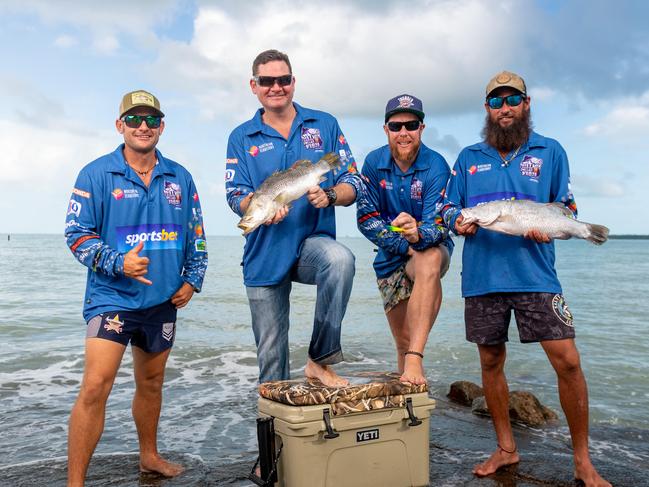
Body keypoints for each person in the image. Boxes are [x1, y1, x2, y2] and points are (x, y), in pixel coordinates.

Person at [441, 71, 610, 486]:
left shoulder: (550, 151)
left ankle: (582, 461)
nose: (504, 108)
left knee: (568, 361)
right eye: (496, 102)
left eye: (512, 100)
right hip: (482, 278)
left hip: (537, 275)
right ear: (487, 109)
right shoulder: (468, 157)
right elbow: (447, 207)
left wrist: (552, 227)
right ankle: (505, 448)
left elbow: (566, 206)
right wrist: (456, 223)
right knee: (491, 361)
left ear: (526, 103)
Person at [64, 90, 208, 485]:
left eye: (151, 119)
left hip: (162, 302)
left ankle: (149, 456)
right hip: (112, 298)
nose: (143, 126)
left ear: (162, 126)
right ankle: (74, 482)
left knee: (151, 382)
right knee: (96, 386)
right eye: (134, 119)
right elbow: (76, 235)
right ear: (119, 125)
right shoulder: (95, 174)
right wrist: (118, 263)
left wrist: (192, 280)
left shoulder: (180, 176)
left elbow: (195, 234)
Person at [225, 49, 361, 387]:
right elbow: (235, 195)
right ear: (253, 86)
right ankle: (274, 435)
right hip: (264, 252)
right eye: (267, 81)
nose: (276, 87)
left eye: (283, 80)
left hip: (310, 246)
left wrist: (330, 195)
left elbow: (353, 180)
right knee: (272, 366)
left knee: (341, 260)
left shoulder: (324, 124)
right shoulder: (241, 137)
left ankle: (320, 359)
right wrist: (259, 210)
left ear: (293, 82)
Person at [356, 94, 453, 385]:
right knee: (403, 340)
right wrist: (403, 244)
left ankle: (416, 361)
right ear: (386, 129)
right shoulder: (373, 162)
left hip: (427, 250)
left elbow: (439, 224)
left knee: (430, 258)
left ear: (421, 128)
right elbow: (365, 219)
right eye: (396, 126)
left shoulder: (437, 165)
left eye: (411, 125)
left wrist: (418, 234)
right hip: (390, 256)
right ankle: (410, 410)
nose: (403, 133)